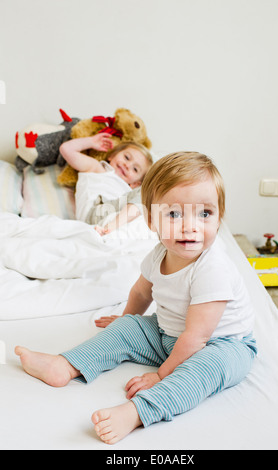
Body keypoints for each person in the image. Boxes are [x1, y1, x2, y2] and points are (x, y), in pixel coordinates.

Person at [15, 152, 257, 445]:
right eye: (174, 214)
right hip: (169, 334)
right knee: (128, 328)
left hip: (222, 344)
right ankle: (66, 365)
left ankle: (138, 412)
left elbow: (195, 338)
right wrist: (127, 318)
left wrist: (162, 375)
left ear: (219, 218)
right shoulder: (159, 255)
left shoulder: (212, 268)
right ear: (151, 220)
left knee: (202, 372)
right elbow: (142, 292)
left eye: (204, 213)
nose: (190, 226)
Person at [59, 133, 153, 235]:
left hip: (118, 220)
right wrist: (90, 142)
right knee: (150, 190)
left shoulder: (130, 193)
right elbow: (66, 149)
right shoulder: (97, 168)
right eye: (126, 157)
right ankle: (111, 227)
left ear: (135, 183)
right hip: (96, 214)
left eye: (135, 169)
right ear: (112, 155)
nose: (127, 165)